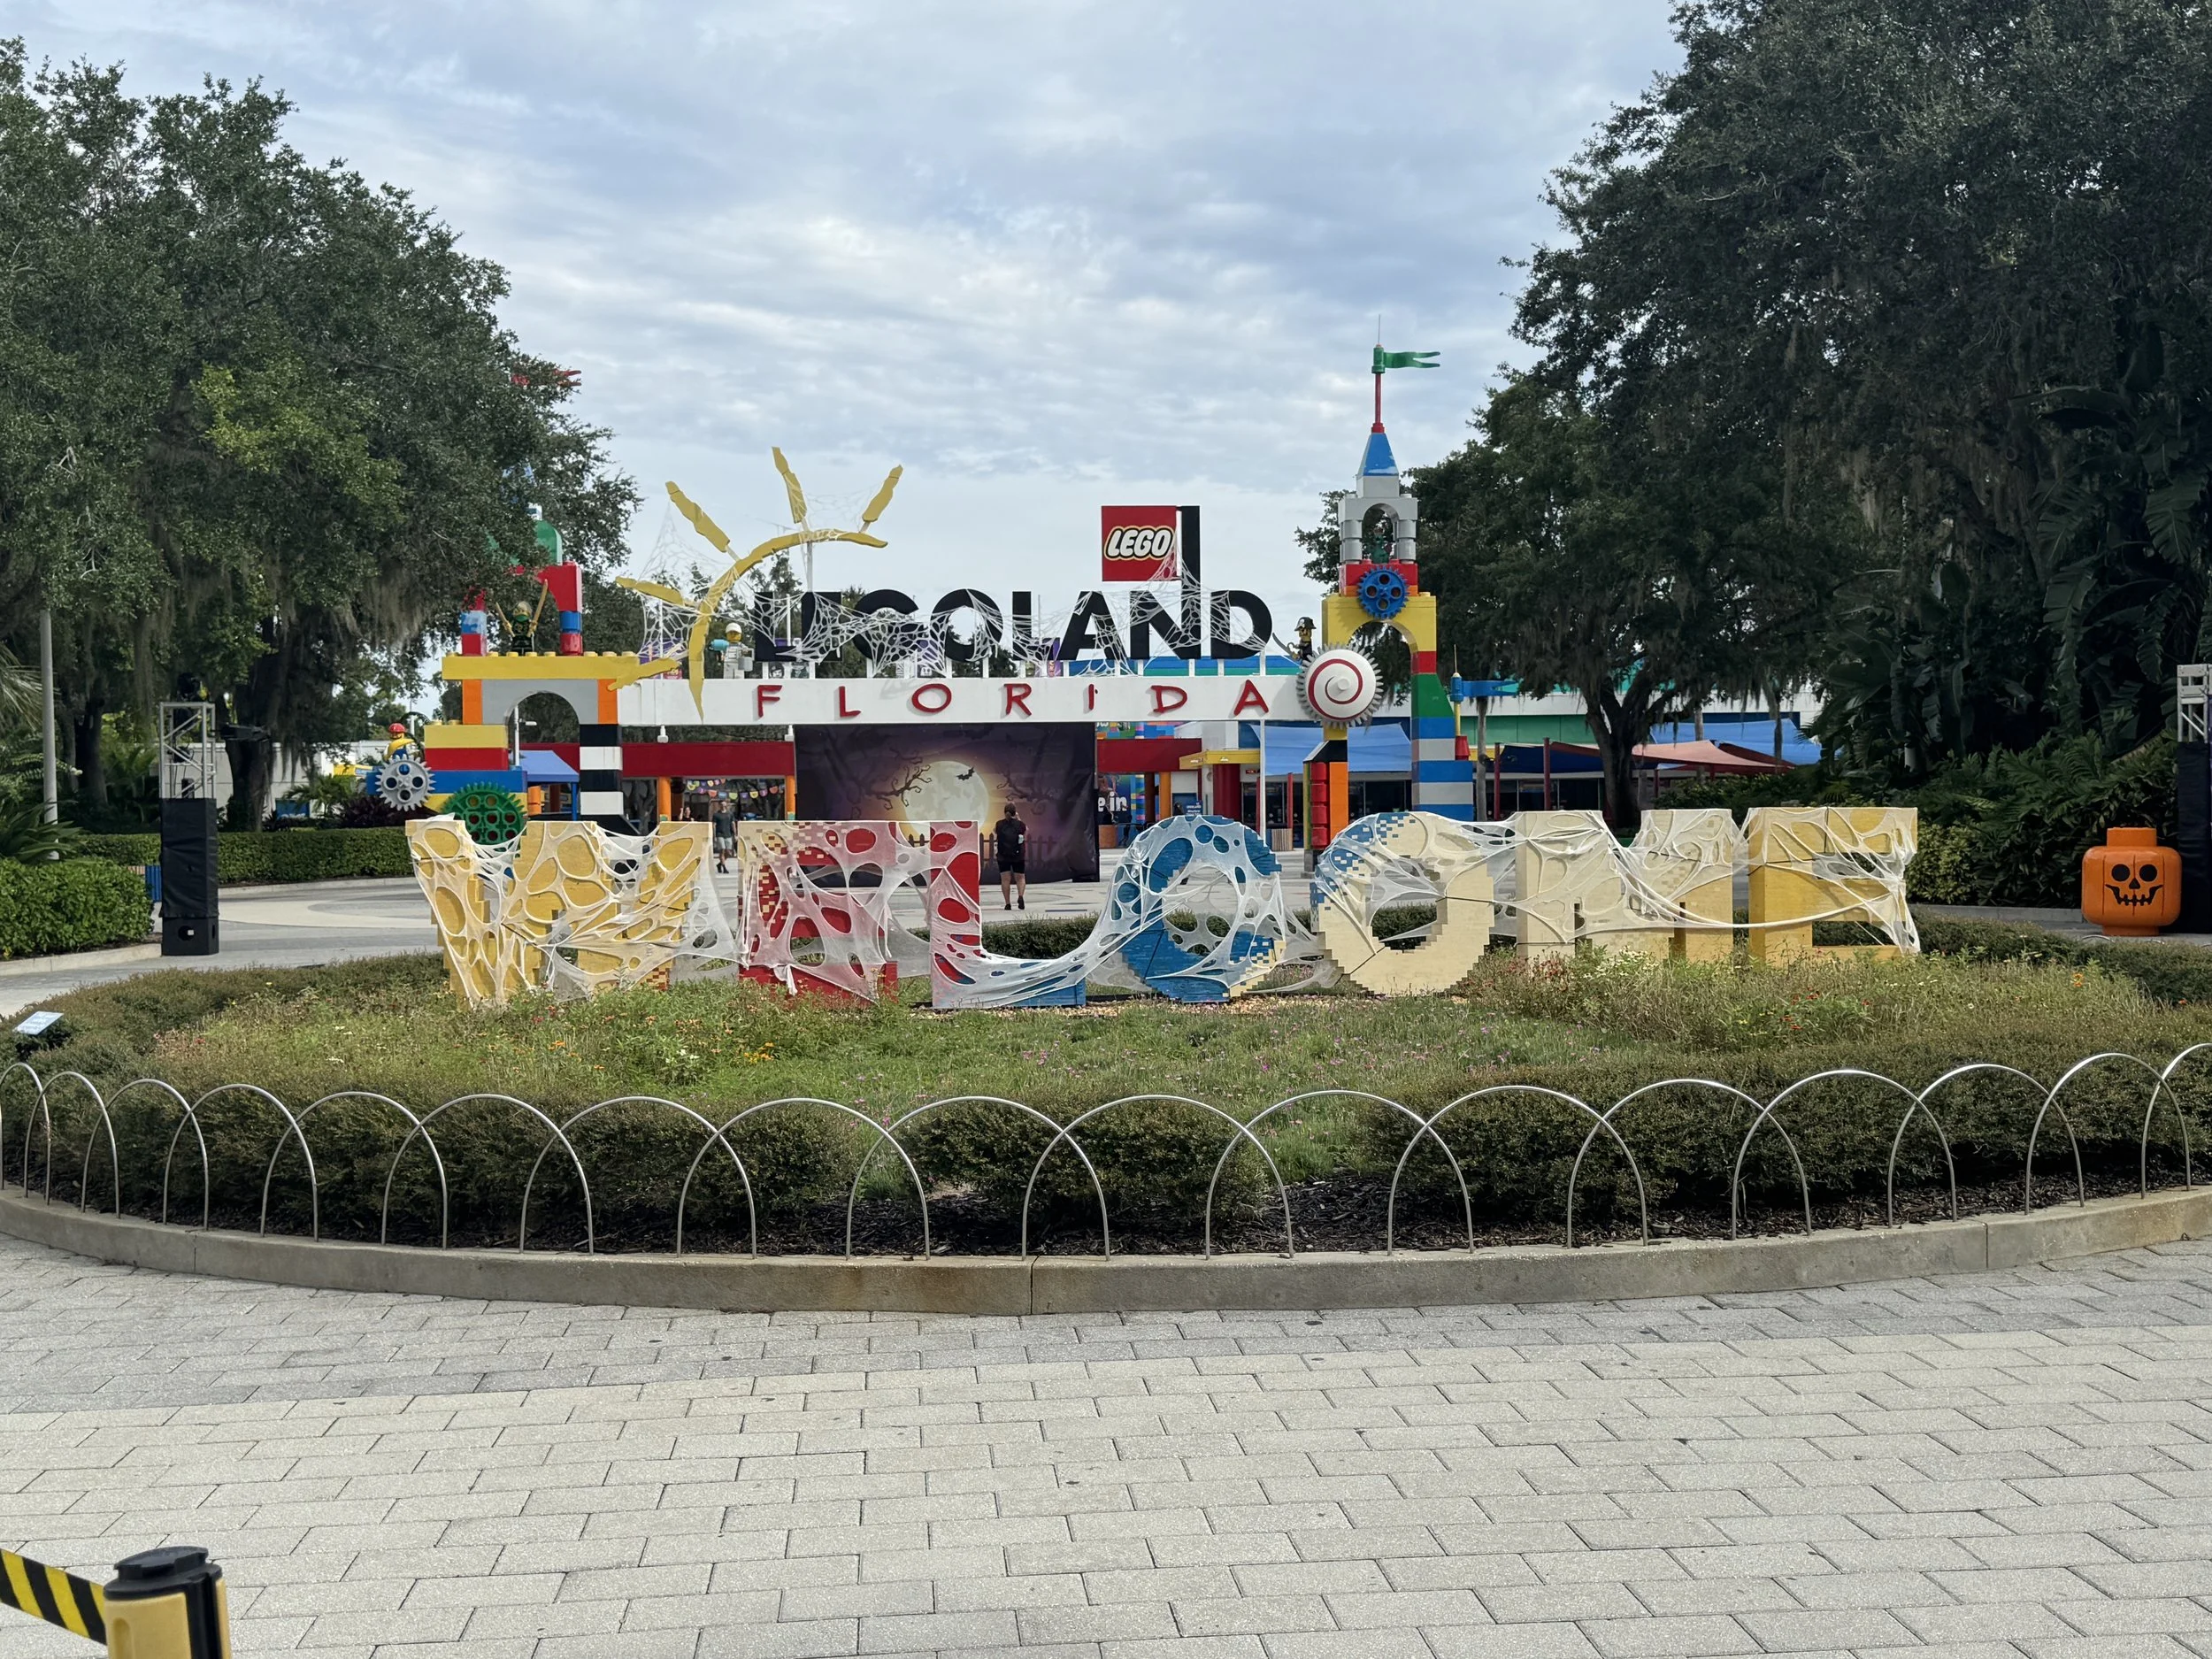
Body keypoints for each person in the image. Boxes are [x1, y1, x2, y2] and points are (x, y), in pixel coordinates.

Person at [994, 804, 1027, 911]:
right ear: (1015, 812)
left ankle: (1007, 904)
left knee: (1005, 879)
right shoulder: (1020, 824)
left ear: (1004, 813)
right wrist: (1018, 818)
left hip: (1003, 856)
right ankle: (1020, 896)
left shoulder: (999, 824)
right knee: (1020, 878)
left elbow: (994, 832)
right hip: (1018, 855)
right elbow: (1026, 830)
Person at [713, 801, 735, 874]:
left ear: (726, 805)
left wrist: (735, 834)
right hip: (719, 834)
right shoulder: (716, 815)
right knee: (722, 849)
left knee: (728, 852)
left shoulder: (730, 814)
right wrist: (714, 836)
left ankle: (719, 865)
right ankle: (724, 868)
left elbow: (733, 824)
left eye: (724, 804)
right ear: (719, 805)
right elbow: (714, 825)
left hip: (728, 834)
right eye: (721, 805)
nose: (723, 806)